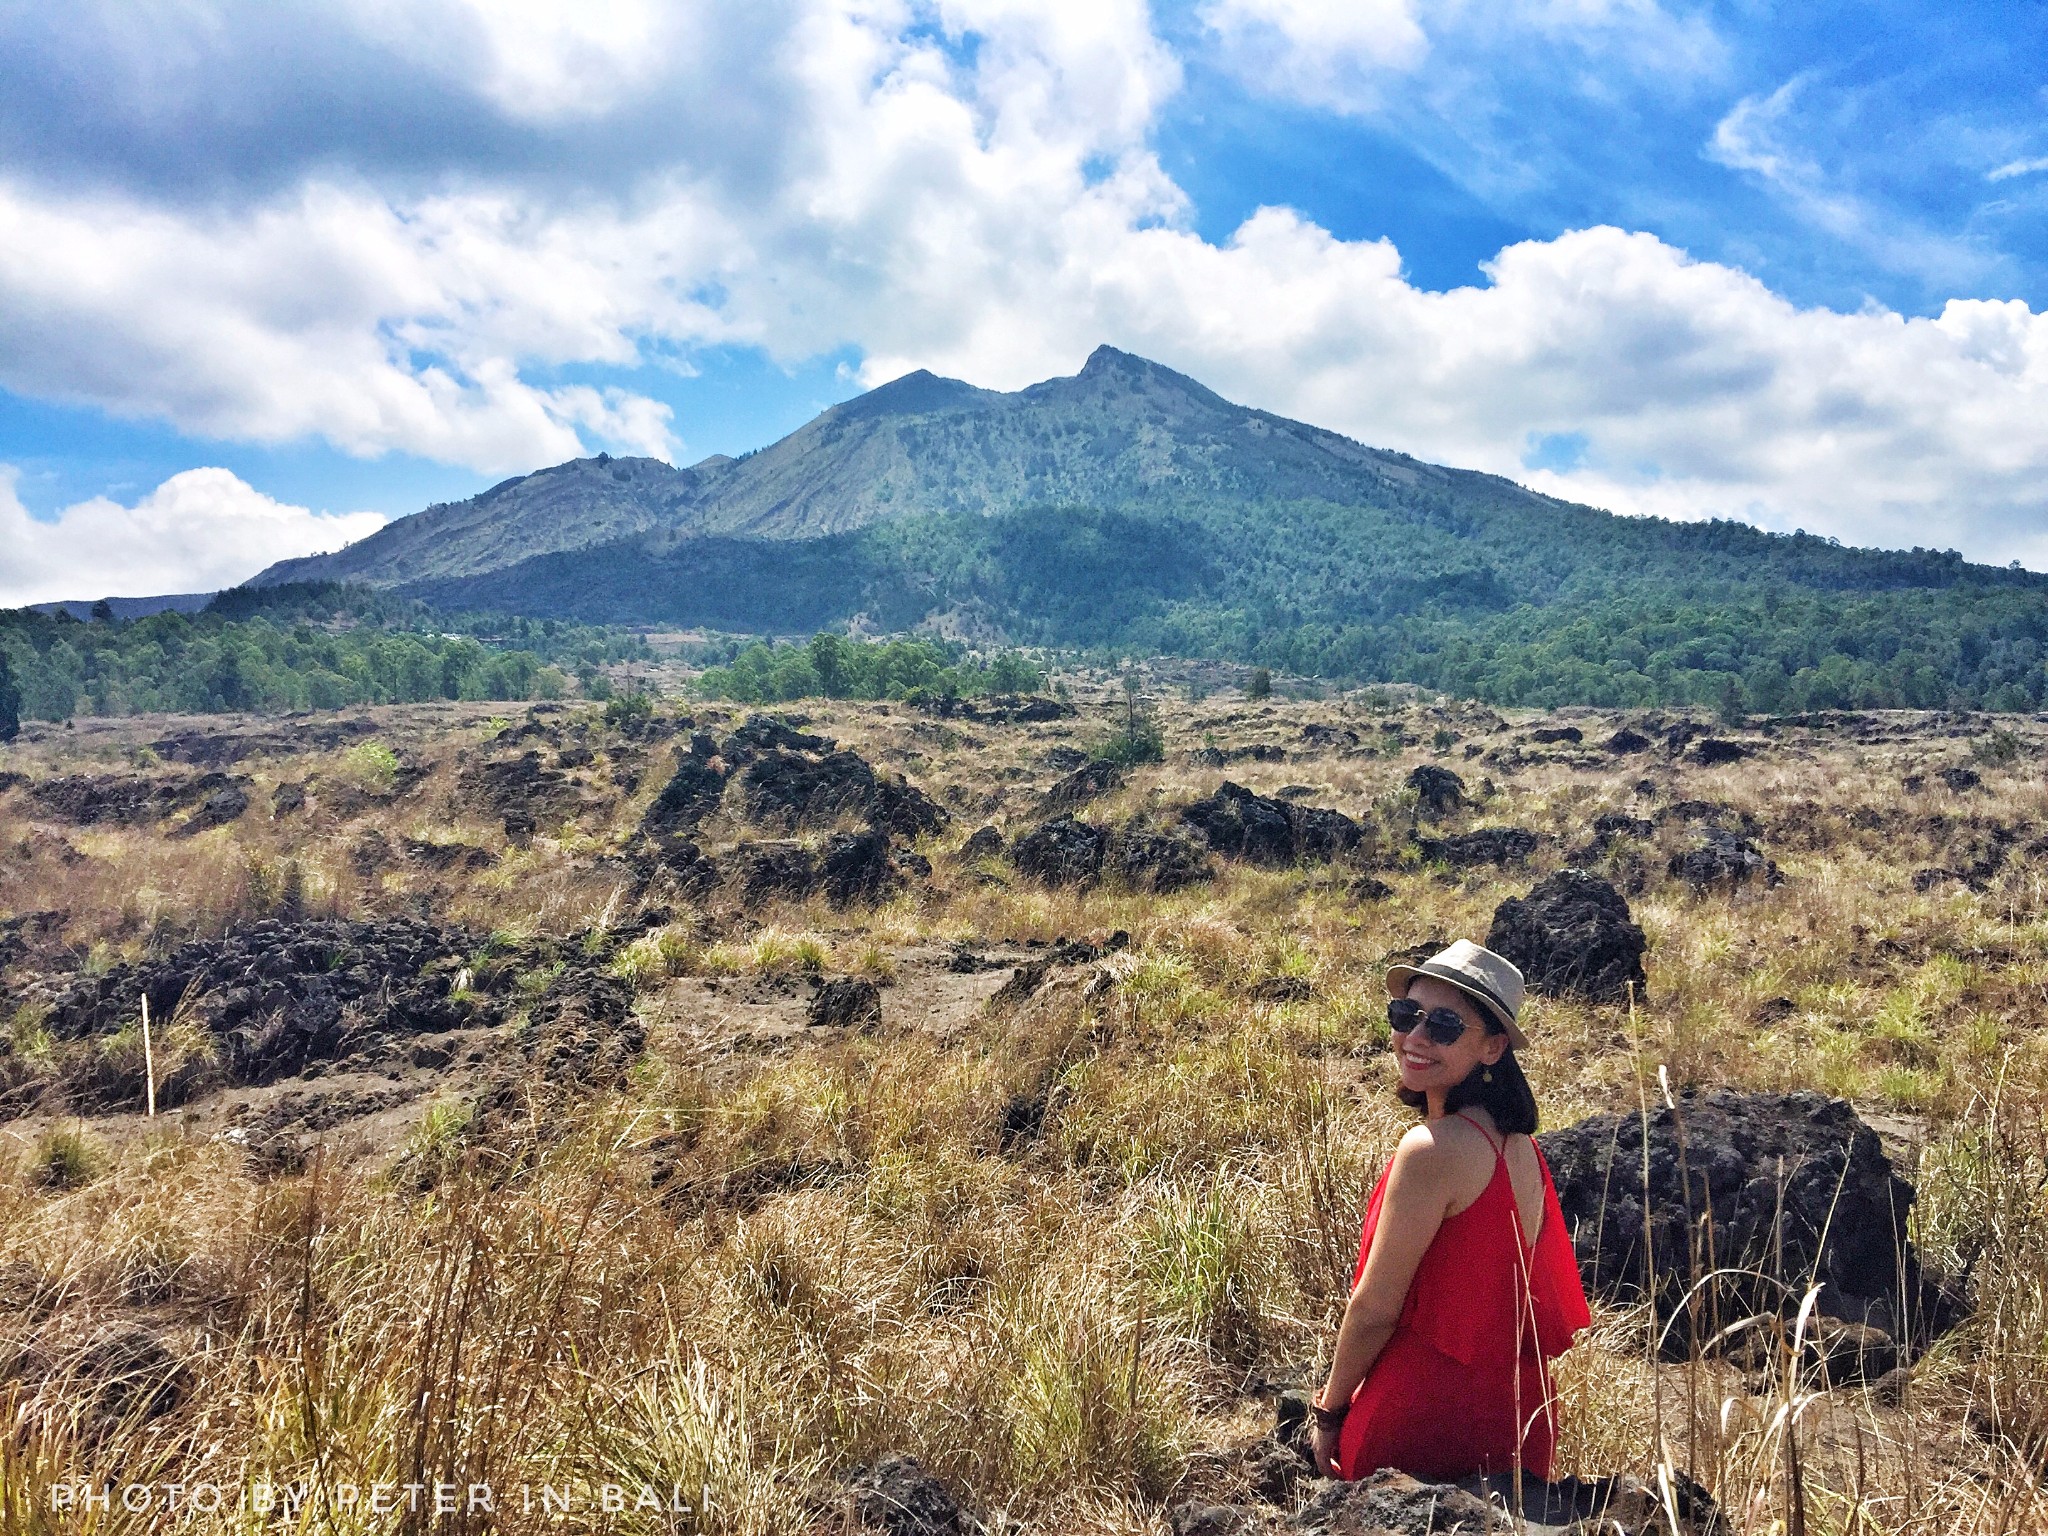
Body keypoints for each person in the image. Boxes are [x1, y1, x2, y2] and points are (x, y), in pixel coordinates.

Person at [1309, 940, 1590, 1482]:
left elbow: (1374, 1310)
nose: (1414, 1037)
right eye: (1405, 1015)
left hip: (1419, 1417)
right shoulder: (1523, 1148)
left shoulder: (1430, 1150)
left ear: (1492, 1048)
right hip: (1515, 1420)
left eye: (1443, 1025)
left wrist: (1329, 1411)